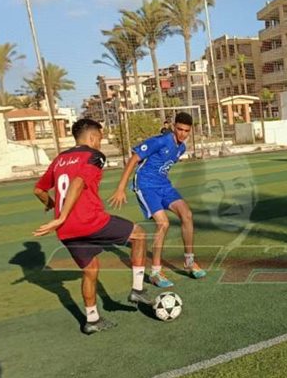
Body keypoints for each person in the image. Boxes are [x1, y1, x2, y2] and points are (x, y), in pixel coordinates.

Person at [32, 118, 150, 335]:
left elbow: (38, 190)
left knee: (90, 270)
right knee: (139, 235)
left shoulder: (59, 159)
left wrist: (53, 208)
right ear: (93, 137)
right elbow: (78, 182)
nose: (100, 142)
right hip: (89, 221)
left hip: (66, 231)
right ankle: (138, 289)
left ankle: (92, 320)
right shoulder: (95, 156)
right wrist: (62, 215)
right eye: (100, 138)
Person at [109, 112, 206, 288]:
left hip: (163, 185)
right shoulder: (159, 141)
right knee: (163, 223)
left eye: (186, 131)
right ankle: (155, 272)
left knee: (187, 215)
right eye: (179, 129)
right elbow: (134, 159)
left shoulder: (181, 148)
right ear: (173, 126)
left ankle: (189, 262)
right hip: (145, 185)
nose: (182, 134)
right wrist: (121, 188)